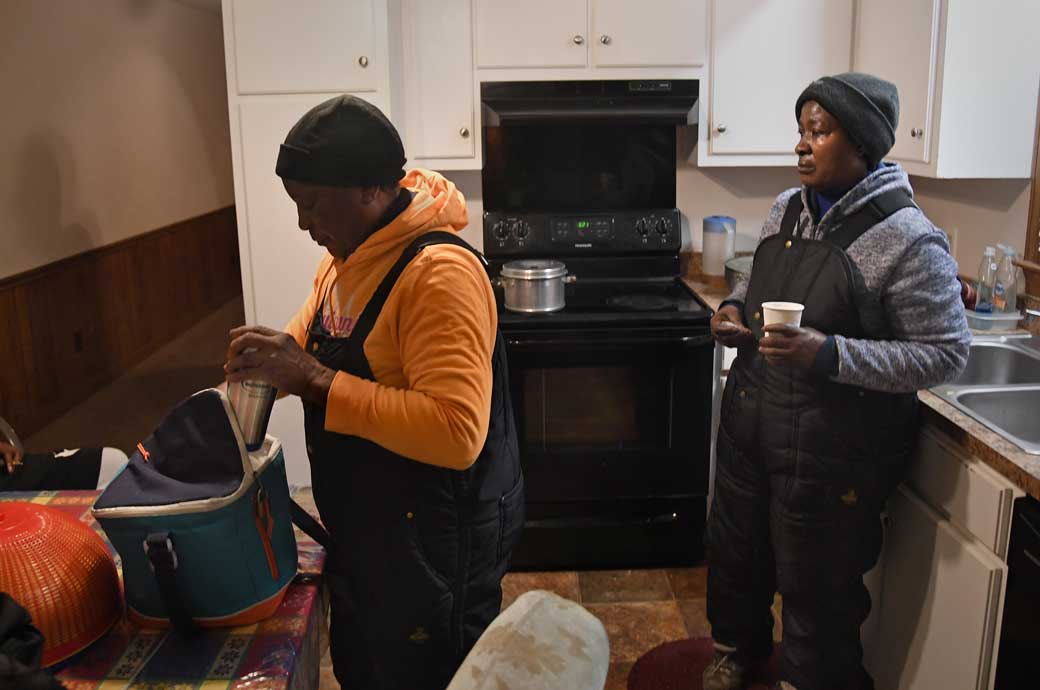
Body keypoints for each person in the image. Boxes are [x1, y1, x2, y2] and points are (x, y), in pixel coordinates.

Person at [223, 95, 524, 690]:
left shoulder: (438, 275)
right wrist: (251, 378)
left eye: (310, 204)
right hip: (373, 531)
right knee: (368, 667)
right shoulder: (344, 261)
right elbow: (303, 346)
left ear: (368, 189)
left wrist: (312, 378)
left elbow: (458, 433)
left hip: (439, 542)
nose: (303, 223)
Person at [703, 73, 971, 690]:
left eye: (818, 132)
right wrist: (734, 312)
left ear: (863, 143)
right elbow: (753, 285)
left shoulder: (908, 238)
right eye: (801, 130)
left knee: (817, 588)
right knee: (737, 555)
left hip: (833, 451)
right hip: (753, 426)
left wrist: (830, 354)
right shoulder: (786, 209)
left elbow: (945, 352)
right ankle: (735, 651)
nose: (802, 145)